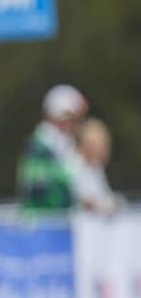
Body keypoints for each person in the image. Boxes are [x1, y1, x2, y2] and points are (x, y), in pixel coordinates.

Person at [17, 85, 93, 214]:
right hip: (43, 223)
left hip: (59, 221)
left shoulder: (63, 146)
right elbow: (39, 192)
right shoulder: (38, 148)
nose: (75, 124)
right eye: (71, 118)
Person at [76, 118, 122, 214]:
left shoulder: (96, 168)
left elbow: (106, 197)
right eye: (100, 144)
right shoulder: (74, 166)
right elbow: (86, 202)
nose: (103, 149)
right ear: (86, 144)